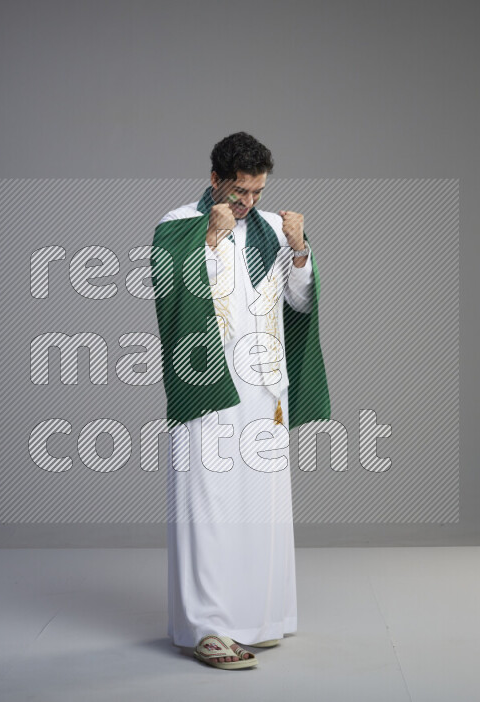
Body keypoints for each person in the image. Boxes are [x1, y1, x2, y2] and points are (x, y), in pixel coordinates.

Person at [151, 132, 330, 669]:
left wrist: (300, 250)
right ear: (214, 180)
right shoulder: (178, 224)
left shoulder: (274, 228)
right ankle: (208, 627)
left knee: (261, 508)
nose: (248, 202)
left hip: (265, 388)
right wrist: (208, 238)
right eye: (239, 191)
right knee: (209, 508)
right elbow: (173, 293)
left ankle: (259, 618)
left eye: (256, 192)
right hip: (210, 390)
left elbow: (298, 302)